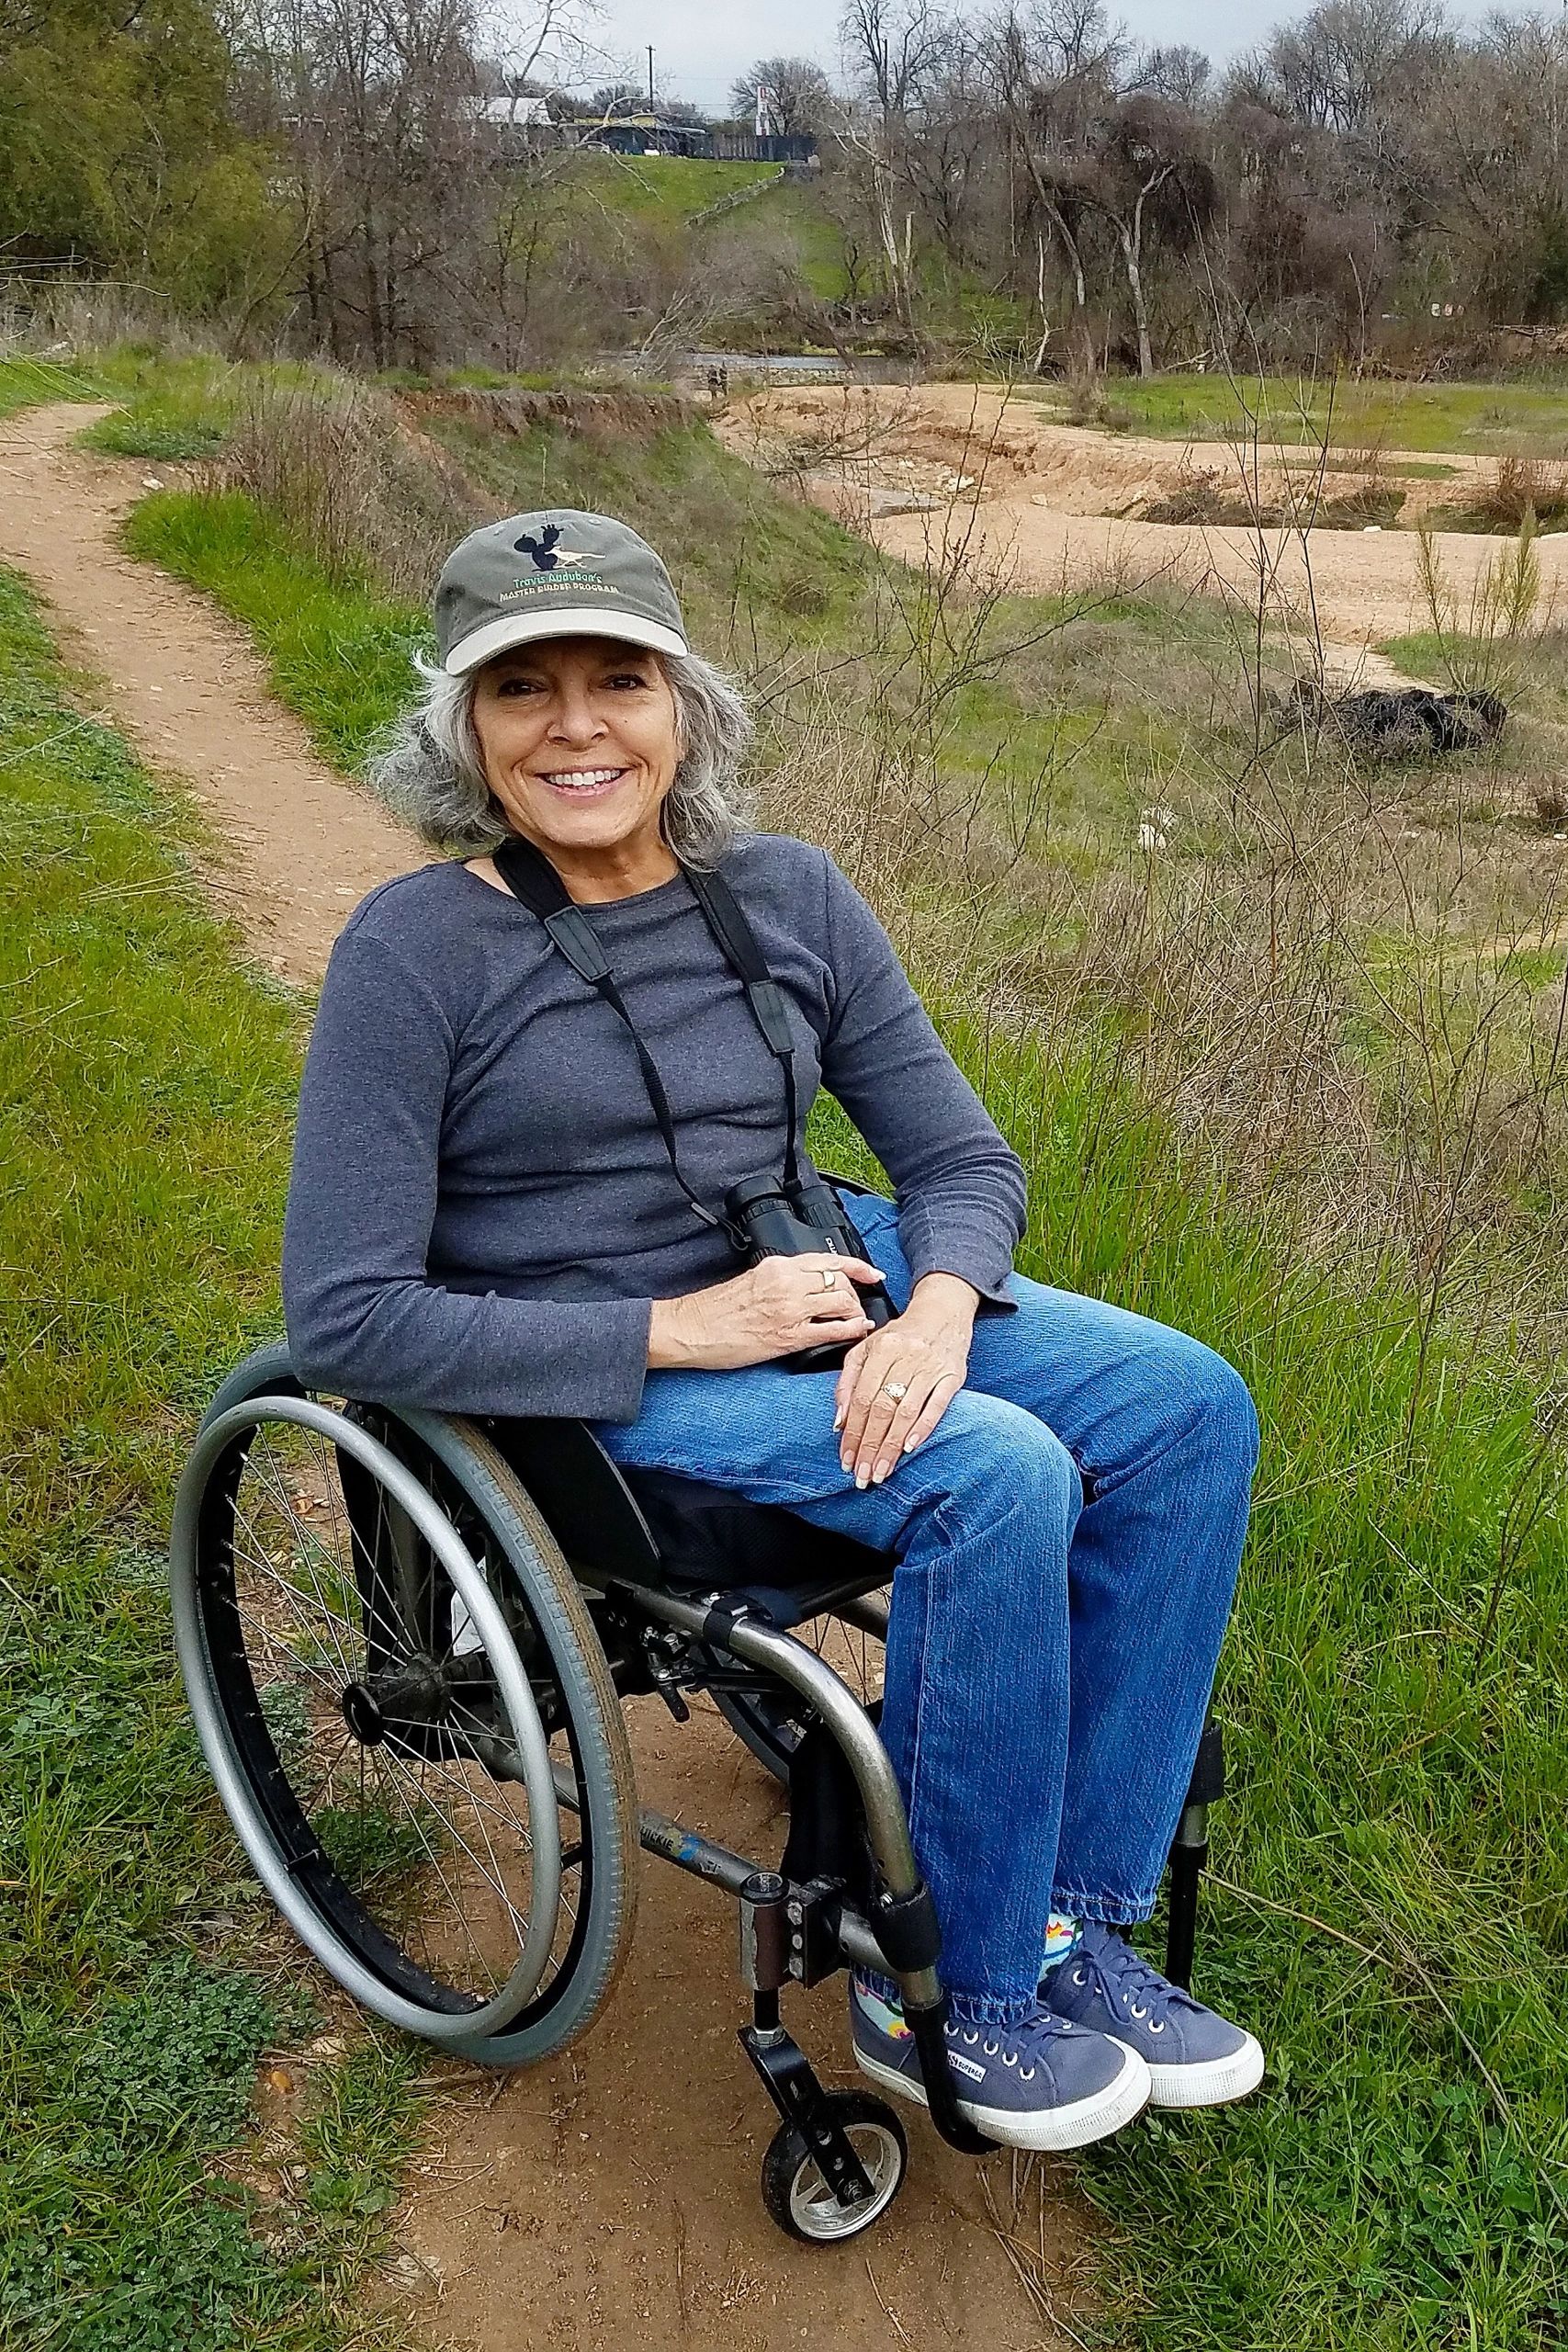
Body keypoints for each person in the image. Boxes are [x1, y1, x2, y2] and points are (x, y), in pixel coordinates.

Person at [281, 507, 1263, 2153]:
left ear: (689, 708)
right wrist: (684, 1327)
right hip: (601, 1366)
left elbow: (956, 1158)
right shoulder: (416, 951)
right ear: (465, 729)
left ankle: (1074, 1914)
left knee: (1190, 1406)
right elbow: (346, 1312)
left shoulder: (789, 892)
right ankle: (940, 1976)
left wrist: (939, 1310)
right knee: (997, 1479)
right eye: (523, 690)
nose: (578, 725)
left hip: (839, 1278)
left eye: (618, 679)